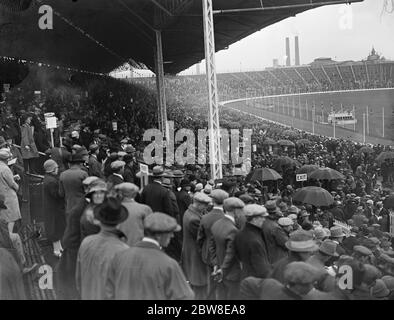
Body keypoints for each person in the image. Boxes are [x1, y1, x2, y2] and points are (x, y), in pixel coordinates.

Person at [105, 212, 194, 300]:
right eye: (169, 232)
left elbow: (108, 291)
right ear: (159, 236)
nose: (172, 236)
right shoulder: (168, 264)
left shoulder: (120, 256)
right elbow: (184, 296)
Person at [76, 197, 129, 300]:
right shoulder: (124, 250)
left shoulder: (86, 242)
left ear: (99, 219)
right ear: (119, 222)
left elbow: (79, 279)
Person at [210, 197, 245, 300]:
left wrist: (216, 265)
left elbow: (211, 246)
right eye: (240, 210)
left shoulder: (217, 224)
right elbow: (231, 253)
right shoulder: (233, 229)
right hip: (232, 273)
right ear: (235, 211)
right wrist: (223, 269)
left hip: (219, 269)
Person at [197, 189, 229, 298]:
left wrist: (203, 251)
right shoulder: (227, 218)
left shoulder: (205, 217)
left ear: (213, 201)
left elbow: (200, 239)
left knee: (210, 283)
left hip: (208, 255)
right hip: (224, 254)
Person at [182, 192, 211, 299]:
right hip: (196, 254)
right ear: (198, 204)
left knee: (195, 282)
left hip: (190, 251)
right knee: (200, 284)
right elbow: (202, 238)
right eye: (205, 205)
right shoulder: (194, 219)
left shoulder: (189, 212)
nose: (206, 208)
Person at [234, 204, 271, 279]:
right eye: (262, 217)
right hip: (257, 280)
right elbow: (262, 268)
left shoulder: (240, 233)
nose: (264, 219)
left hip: (246, 276)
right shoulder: (254, 240)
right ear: (254, 219)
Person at [115, 182, 152, 246]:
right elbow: (151, 230)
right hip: (138, 247)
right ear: (135, 194)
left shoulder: (112, 208)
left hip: (117, 246)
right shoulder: (145, 209)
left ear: (120, 194)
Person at [43, 159, 66, 257]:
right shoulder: (51, 181)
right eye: (56, 168)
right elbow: (57, 195)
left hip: (52, 207)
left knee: (57, 227)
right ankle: (56, 251)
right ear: (52, 169)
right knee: (55, 228)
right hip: (54, 208)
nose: (57, 169)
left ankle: (59, 247)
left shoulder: (48, 178)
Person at [59, 148, 89, 216]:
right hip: (82, 207)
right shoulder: (83, 174)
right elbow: (87, 192)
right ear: (80, 163)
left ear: (70, 164)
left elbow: (61, 193)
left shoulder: (62, 174)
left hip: (69, 207)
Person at [0, 149, 22, 235]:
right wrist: (17, 186)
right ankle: (9, 240)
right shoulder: (5, 169)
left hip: (1, 196)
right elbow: (12, 184)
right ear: (6, 159)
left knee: (4, 220)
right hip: (8, 198)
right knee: (11, 220)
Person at [262, 200, 286, 265]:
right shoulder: (275, 227)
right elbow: (285, 244)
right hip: (276, 259)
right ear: (275, 213)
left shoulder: (261, 222)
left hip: (265, 257)